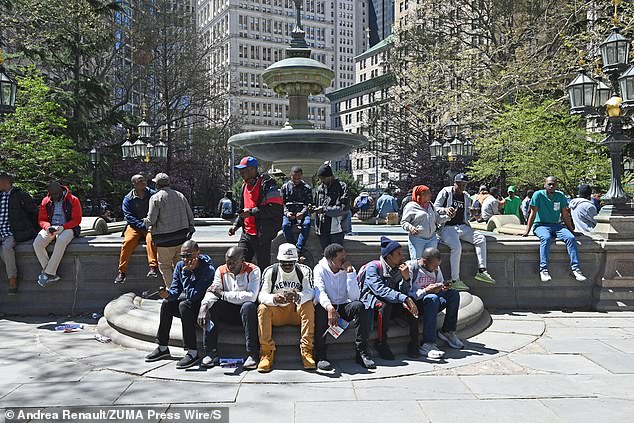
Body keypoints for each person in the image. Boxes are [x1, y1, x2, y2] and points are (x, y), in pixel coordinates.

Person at [145, 240, 214, 369]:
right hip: (189, 303)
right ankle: (162, 347)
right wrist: (168, 294)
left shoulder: (207, 270)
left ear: (197, 253)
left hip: (201, 307)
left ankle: (192, 352)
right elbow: (176, 290)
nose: (185, 259)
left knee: (184, 305)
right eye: (183, 256)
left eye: (188, 255)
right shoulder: (180, 265)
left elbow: (194, 296)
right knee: (166, 304)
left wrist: (187, 273)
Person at [313, 243, 375, 370]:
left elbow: (354, 297)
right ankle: (320, 354)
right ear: (331, 261)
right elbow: (319, 291)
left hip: (343, 305)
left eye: (345, 257)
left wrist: (350, 274)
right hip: (327, 306)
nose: (345, 261)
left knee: (359, 306)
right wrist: (329, 307)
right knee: (319, 309)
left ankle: (362, 352)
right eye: (341, 259)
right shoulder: (319, 269)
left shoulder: (348, 269)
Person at [198, 246, 260, 370]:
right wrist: (203, 306)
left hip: (246, 311)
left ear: (242, 260)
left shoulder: (253, 270)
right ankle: (211, 352)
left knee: (248, 306)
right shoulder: (220, 270)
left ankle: (252, 354)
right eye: (228, 262)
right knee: (212, 307)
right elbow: (213, 291)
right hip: (228, 309)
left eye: (233, 263)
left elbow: (251, 296)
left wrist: (223, 294)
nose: (230, 266)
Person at [257, 243, 315, 372]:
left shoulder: (304, 270)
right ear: (278, 261)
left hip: (296, 312)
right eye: (284, 263)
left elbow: (311, 292)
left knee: (308, 305)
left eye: (291, 263)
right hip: (277, 312)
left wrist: (298, 296)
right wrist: (274, 299)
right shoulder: (270, 271)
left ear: (296, 260)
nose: (287, 266)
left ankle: (307, 350)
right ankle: (266, 353)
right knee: (262, 308)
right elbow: (261, 295)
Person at [359, 236, 419, 360]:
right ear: (389, 256)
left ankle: (415, 343)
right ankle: (382, 343)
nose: (402, 257)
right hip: (371, 305)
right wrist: (404, 298)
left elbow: (403, 292)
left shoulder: (399, 269)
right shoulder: (373, 267)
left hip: (391, 303)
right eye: (398, 254)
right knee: (385, 305)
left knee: (410, 303)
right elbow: (379, 290)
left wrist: (406, 279)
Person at [434, 174, 496, 291]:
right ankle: (455, 280)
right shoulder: (445, 192)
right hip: (447, 226)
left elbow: (466, 214)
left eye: (464, 185)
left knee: (480, 239)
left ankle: (482, 270)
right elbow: (435, 208)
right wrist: (445, 210)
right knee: (456, 247)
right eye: (460, 184)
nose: (462, 187)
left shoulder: (466, 196)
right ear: (454, 183)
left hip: (462, 226)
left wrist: (472, 214)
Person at [522, 176, 587, 283]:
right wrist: (527, 231)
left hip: (556, 225)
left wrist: (572, 230)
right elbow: (532, 214)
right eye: (549, 184)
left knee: (570, 238)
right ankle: (544, 270)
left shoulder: (560, 196)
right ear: (545, 185)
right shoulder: (538, 195)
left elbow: (565, 215)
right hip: (540, 225)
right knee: (546, 238)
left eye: (554, 184)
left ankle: (576, 269)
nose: (551, 186)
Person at [403, 247, 463, 359]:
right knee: (432, 298)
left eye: (437, 266)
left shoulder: (435, 268)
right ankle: (428, 343)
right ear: (425, 261)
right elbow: (406, 293)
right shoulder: (411, 268)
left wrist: (443, 288)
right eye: (434, 266)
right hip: (417, 303)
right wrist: (426, 291)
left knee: (453, 294)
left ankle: (447, 330)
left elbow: (439, 283)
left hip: (433, 300)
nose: (436, 268)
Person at [228, 156, 283, 269]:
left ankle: (263, 286)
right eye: (240, 170)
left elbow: (275, 208)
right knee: (239, 264)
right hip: (246, 234)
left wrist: (252, 213)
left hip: (262, 235)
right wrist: (236, 225)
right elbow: (244, 209)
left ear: (253, 169)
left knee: (263, 267)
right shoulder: (244, 186)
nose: (241, 173)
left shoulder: (267, 185)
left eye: (244, 170)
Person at [143, 173, 195, 287]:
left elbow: (151, 219)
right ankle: (183, 290)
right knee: (180, 265)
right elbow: (189, 214)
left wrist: (145, 222)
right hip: (181, 238)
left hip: (164, 240)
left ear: (157, 184)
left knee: (165, 266)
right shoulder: (179, 195)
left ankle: (172, 291)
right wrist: (191, 229)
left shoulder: (155, 198)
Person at [33, 181, 82, 287]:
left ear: (61, 190)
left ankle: (47, 273)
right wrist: (47, 227)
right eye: (52, 194)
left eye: (56, 194)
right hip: (51, 227)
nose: (54, 196)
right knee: (37, 243)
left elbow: (77, 220)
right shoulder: (45, 201)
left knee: (61, 240)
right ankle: (51, 274)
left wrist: (64, 227)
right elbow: (42, 219)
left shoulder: (73, 200)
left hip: (68, 227)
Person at [114, 174, 158, 284]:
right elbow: (129, 217)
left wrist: (150, 225)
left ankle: (153, 268)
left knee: (151, 240)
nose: (144, 182)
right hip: (134, 226)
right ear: (134, 184)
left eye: (144, 180)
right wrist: (141, 226)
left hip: (150, 225)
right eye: (140, 181)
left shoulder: (153, 195)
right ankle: (122, 272)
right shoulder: (128, 199)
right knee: (127, 242)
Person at [0, 172, 38, 294]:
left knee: (6, 248)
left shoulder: (20, 195)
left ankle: (12, 278)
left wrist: (34, 229)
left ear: (4, 182)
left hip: (13, 232)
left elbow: (34, 212)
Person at [401, 185, 447, 260]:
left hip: (432, 238)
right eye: (428, 193)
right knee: (417, 262)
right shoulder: (411, 206)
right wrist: (411, 228)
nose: (430, 195)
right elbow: (404, 222)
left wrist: (448, 217)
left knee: (431, 262)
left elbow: (437, 219)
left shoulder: (430, 205)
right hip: (417, 239)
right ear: (421, 195)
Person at [313, 164, 349, 251]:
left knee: (336, 257)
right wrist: (313, 208)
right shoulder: (320, 188)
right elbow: (315, 203)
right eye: (320, 178)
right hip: (321, 230)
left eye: (323, 178)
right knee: (326, 257)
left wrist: (324, 210)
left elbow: (344, 209)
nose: (322, 181)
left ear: (330, 176)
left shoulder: (342, 187)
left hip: (336, 230)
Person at [281, 166, 313, 259]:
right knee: (285, 226)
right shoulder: (285, 187)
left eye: (298, 178)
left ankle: (298, 249)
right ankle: (294, 247)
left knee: (306, 224)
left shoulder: (307, 188)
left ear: (301, 176)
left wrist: (302, 212)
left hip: (302, 212)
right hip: (289, 212)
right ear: (290, 176)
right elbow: (281, 204)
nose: (296, 180)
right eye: (294, 178)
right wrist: (287, 213)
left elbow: (309, 204)